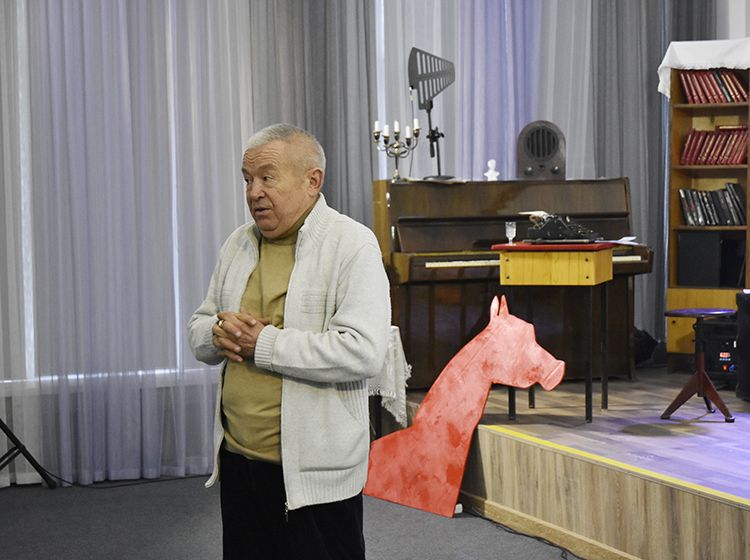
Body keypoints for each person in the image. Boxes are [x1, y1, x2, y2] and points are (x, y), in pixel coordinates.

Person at [187, 123, 391, 559]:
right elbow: (199, 330)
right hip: (239, 462)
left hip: (316, 475)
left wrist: (261, 343)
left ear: (312, 181)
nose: (254, 193)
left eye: (267, 177)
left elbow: (363, 351)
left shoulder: (352, 244)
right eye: (247, 179)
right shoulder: (237, 244)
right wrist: (218, 334)